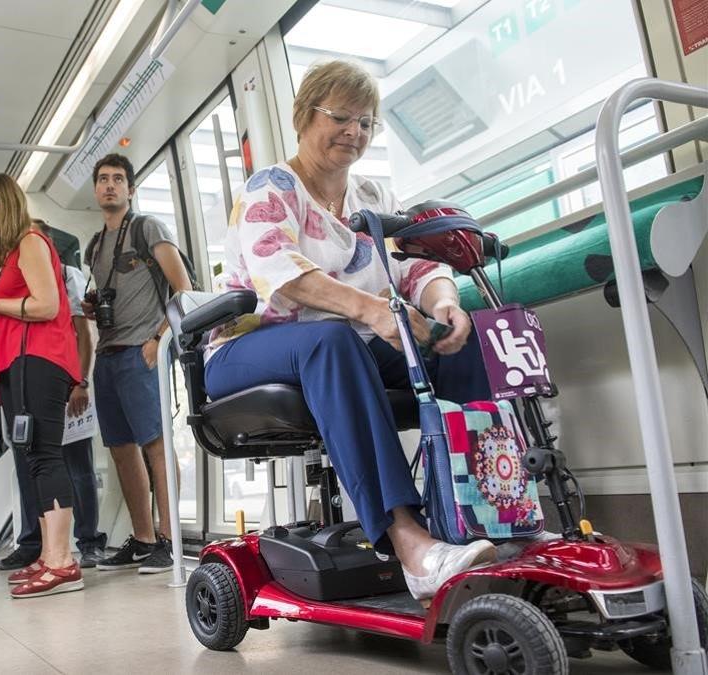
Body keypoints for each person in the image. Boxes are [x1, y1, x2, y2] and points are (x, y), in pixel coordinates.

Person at [204, 60, 496, 600]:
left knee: (464, 341)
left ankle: (487, 514)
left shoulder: (372, 198)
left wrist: (444, 305)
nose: (355, 132)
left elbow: (418, 267)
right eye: (341, 116)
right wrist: (372, 310)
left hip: (339, 344)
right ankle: (410, 546)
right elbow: (282, 277)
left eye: (366, 123)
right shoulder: (272, 187)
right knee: (334, 340)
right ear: (303, 116)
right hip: (245, 348)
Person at [0, 175, 83, 599]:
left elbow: (47, 305)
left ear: (7, 202)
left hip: (41, 359)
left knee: (45, 454)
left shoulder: (30, 241)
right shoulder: (15, 250)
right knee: (33, 458)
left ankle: (62, 561)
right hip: (22, 360)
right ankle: (50, 557)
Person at [82, 153, 192, 574]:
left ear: (130, 189)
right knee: (122, 453)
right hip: (108, 353)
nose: (110, 185)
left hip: (142, 350)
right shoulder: (95, 245)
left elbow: (184, 288)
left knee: (157, 448)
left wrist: (159, 339)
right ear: (96, 190)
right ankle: (144, 539)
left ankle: (170, 539)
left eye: (118, 179)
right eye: (104, 179)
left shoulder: (149, 228)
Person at [0, 220, 106, 572]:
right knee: (35, 460)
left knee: (72, 463)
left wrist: (80, 382)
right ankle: (43, 547)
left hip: (57, 374)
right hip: (28, 371)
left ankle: (84, 543)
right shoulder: (14, 272)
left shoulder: (66, 275)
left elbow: (80, 332)